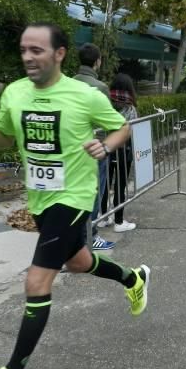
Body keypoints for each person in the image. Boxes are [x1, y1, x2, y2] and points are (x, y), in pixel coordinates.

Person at [0, 23, 150, 369]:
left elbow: (122, 128)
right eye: (24, 50)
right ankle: (133, 278)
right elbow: (5, 137)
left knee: (37, 280)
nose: (28, 57)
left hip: (75, 197)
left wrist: (105, 145)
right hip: (41, 198)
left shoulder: (84, 95)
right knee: (79, 262)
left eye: (37, 50)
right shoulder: (15, 93)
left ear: (59, 54)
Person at [73, 43, 114, 251]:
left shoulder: (67, 84)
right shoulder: (100, 87)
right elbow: (108, 119)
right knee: (95, 191)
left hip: (73, 148)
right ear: (97, 61)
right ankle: (91, 235)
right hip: (96, 146)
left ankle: (76, 236)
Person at [100, 73, 138, 232]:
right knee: (120, 185)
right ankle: (119, 221)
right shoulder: (130, 107)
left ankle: (102, 218)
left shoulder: (105, 103)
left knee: (103, 185)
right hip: (124, 151)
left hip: (106, 149)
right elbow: (133, 129)